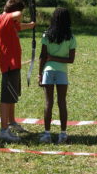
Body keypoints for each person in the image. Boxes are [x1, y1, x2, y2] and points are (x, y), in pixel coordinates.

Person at [0, 0, 35, 142]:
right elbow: (16, 15)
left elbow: (18, 25)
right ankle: (3, 130)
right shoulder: (4, 18)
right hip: (9, 63)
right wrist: (20, 12)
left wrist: (30, 25)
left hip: (14, 63)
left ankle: (11, 122)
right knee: (6, 98)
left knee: (12, 95)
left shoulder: (8, 21)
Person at [38, 7, 76, 143]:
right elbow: (70, 60)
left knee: (49, 102)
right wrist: (56, 59)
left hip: (47, 71)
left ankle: (47, 134)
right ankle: (63, 134)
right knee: (62, 102)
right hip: (62, 72)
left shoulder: (46, 35)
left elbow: (43, 56)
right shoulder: (70, 37)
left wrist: (40, 74)